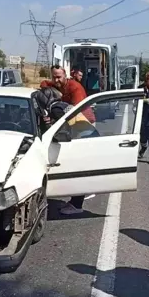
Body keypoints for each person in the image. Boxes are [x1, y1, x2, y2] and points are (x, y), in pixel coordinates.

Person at [40, 65, 95, 215]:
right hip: (72, 122)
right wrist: (45, 87)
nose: (56, 80)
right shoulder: (56, 84)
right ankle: (79, 195)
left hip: (83, 124)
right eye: (54, 77)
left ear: (66, 76)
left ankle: (78, 204)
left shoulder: (75, 88)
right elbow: (45, 84)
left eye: (59, 77)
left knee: (78, 164)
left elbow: (74, 113)